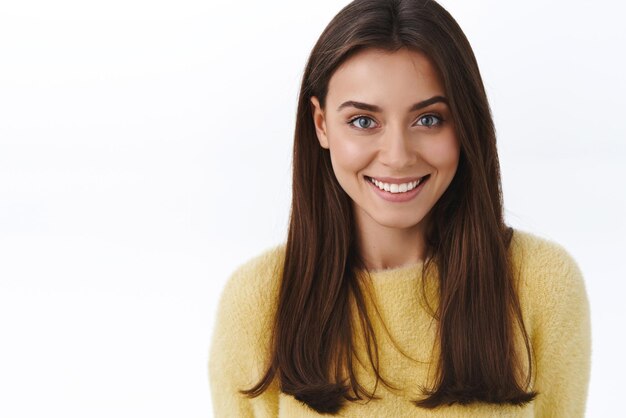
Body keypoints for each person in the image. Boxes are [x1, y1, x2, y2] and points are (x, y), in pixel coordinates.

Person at [208, 0, 591, 416]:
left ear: (464, 122)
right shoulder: (259, 301)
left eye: (428, 119)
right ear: (321, 124)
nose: (397, 156)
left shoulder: (541, 285)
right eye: (363, 121)